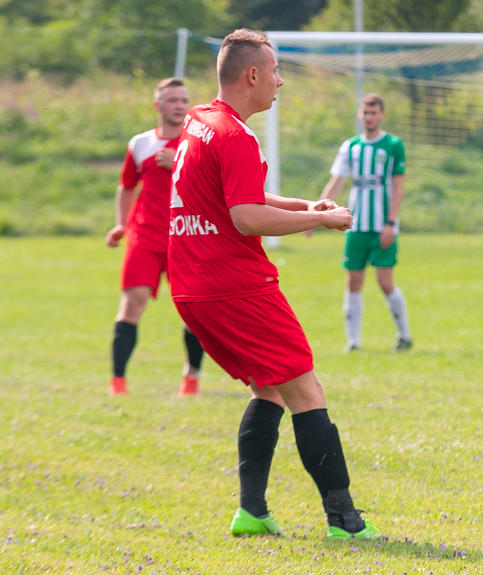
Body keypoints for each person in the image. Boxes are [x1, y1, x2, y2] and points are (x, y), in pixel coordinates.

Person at [167, 29, 379, 539]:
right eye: (276, 71)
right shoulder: (237, 135)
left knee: (271, 387)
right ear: (253, 75)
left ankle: (252, 513)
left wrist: (306, 206)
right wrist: (321, 222)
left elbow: (243, 195)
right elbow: (244, 216)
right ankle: (345, 523)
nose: (281, 82)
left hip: (192, 286)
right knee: (306, 389)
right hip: (234, 284)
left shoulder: (201, 121)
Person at [105, 77, 205, 397]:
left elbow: (212, 184)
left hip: (186, 237)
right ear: (158, 105)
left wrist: (177, 162)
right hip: (145, 235)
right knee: (132, 303)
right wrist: (121, 224)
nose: (179, 105)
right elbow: (126, 186)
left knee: (193, 310)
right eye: (172, 100)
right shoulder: (141, 144)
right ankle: (118, 383)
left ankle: (191, 378)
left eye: (183, 100)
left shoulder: (198, 143)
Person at [317, 94, 412, 352]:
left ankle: (404, 336)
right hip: (355, 226)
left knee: (384, 281)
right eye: (365, 112)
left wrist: (391, 222)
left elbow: (398, 185)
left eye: (374, 112)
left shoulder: (393, 145)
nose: (369, 117)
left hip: (382, 225)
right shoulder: (350, 147)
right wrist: (316, 212)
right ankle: (354, 342)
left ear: (382, 115)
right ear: (360, 115)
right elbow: (337, 181)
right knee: (353, 281)